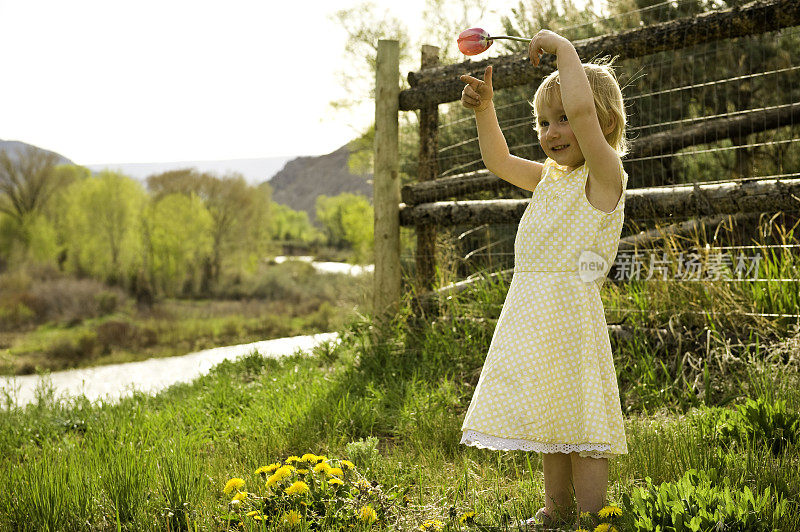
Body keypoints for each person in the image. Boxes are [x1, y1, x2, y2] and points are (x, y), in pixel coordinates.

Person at [457, 29, 630, 529]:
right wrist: (484, 110)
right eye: (542, 122)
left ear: (603, 124)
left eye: (563, 120)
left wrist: (565, 51)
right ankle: (557, 511)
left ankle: (596, 517)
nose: (552, 131)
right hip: (532, 312)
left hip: (572, 317)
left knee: (582, 423)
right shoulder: (549, 177)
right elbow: (498, 160)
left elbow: (581, 114)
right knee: (552, 422)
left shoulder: (605, 175)